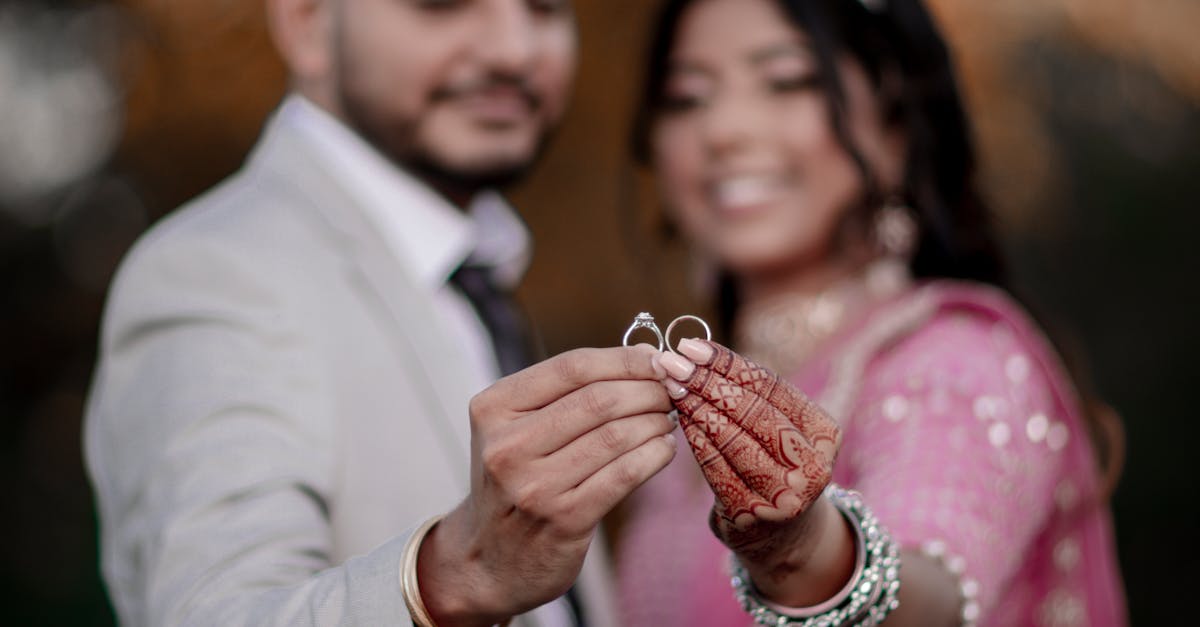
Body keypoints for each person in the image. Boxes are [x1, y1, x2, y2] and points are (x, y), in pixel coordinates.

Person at [83, 0, 679, 625]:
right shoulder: (216, 271)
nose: (515, 50)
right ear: (307, 23)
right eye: (445, 5)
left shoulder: (478, 275)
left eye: (546, 8)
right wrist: (451, 578)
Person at [617, 0, 1127, 625]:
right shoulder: (679, 410)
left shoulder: (951, 357)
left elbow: (933, 595)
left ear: (895, 129)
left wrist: (807, 555)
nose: (722, 129)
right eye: (687, 96)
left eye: (788, 82)